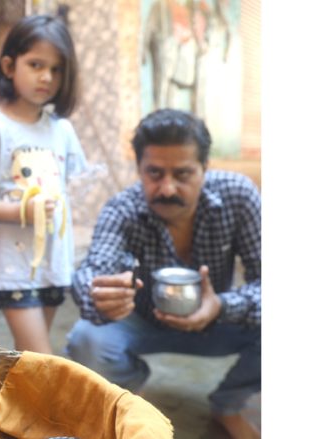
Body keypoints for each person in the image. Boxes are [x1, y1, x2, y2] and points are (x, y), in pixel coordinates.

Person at [66, 108, 261, 439]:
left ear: (204, 169)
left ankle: (228, 404)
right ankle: (130, 397)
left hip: (218, 321)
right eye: (154, 173)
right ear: (139, 169)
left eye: (183, 174)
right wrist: (99, 294)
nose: (167, 188)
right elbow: (90, 273)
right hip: (142, 321)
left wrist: (222, 306)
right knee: (86, 339)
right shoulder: (123, 208)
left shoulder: (238, 196)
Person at [0, 15, 87, 354]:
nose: (47, 77)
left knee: (29, 361)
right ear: (10, 66)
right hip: (12, 267)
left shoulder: (62, 130)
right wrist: (20, 211)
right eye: (36, 64)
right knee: (41, 360)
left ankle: (6, 406)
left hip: (54, 264)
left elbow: (72, 184)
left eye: (56, 69)